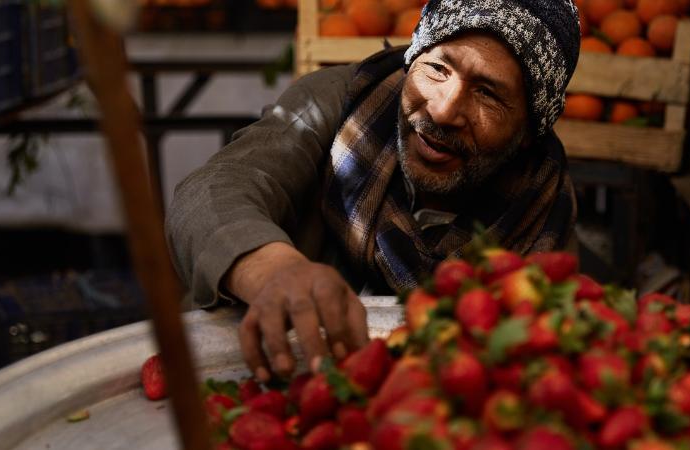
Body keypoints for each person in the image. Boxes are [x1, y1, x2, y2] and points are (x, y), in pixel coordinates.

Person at [166, 0, 581, 382]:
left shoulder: (541, 209)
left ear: (529, 131)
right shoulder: (337, 104)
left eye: (487, 93)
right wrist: (273, 270)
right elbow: (213, 190)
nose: (442, 110)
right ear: (414, 57)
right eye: (438, 68)